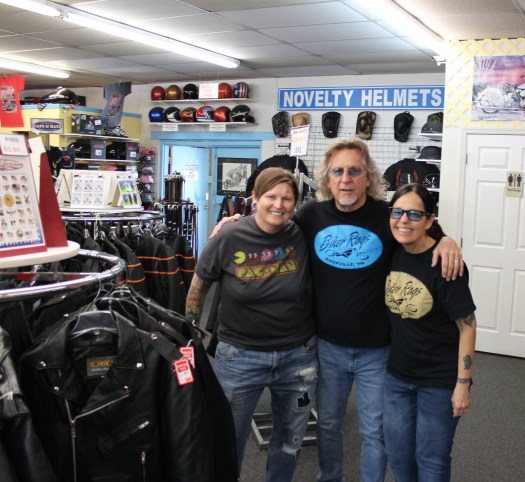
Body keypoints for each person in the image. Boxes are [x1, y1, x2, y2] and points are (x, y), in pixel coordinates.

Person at [212, 137, 464, 482]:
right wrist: (235, 224)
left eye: (354, 171)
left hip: (378, 348)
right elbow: (271, 221)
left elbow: (422, 230)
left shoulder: (387, 216)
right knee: (328, 424)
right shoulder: (310, 215)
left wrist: (447, 239)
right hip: (327, 346)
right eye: (338, 172)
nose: (346, 179)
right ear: (327, 179)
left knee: (374, 431)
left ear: (368, 177)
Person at [186, 167, 317, 482]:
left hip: (297, 356)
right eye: (271, 196)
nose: (279, 204)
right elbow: (198, 287)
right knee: (227, 440)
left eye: (287, 198)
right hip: (239, 356)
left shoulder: (301, 232)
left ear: (295, 203)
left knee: (289, 443)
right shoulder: (229, 236)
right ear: (255, 197)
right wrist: (189, 338)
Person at [383, 183, 477, 482]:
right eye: (397, 212)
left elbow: (468, 326)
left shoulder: (446, 265)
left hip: (438, 382)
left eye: (414, 214)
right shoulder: (392, 250)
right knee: (398, 455)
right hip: (397, 377)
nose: (404, 220)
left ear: (429, 220)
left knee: (431, 458)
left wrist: (463, 384)